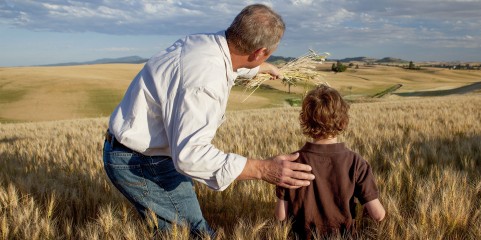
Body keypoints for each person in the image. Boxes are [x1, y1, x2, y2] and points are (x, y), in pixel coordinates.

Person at [102, 4, 315, 237]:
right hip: (142, 162)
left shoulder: (209, 43)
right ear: (258, 51)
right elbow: (190, 156)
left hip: (139, 152)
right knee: (196, 234)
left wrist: (259, 67)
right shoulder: (204, 82)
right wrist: (263, 170)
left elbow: (229, 63)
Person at [274, 84, 385, 239]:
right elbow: (378, 215)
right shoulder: (356, 163)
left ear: (305, 120)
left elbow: (281, 216)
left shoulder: (290, 163)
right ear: (343, 121)